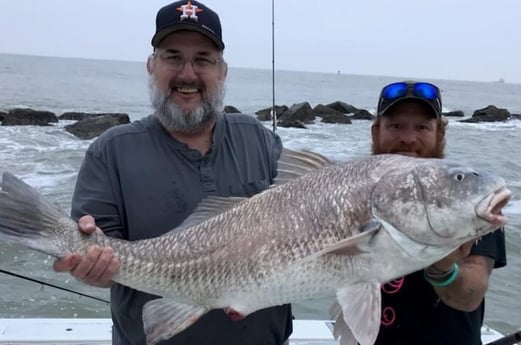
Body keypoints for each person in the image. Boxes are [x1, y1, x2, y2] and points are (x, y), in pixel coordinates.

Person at [52, 1, 293, 344]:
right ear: (151, 66)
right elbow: (97, 253)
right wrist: (91, 266)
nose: (187, 74)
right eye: (173, 57)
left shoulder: (258, 138)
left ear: (222, 71)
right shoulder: (111, 151)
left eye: (203, 60)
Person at [370, 80, 507, 345]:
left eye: (422, 127)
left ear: (440, 135)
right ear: (376, 133)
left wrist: (444, 270)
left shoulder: (466, 196)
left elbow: (470, 295)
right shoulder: (348, 194)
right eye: (395, 126)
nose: (408, 138)